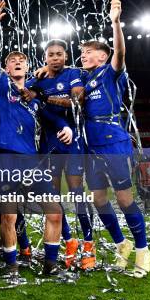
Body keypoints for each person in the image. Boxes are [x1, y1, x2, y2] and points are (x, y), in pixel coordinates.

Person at [0, 1, 69, 277]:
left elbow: (50, 116)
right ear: (6, 68)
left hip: (32, 159)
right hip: (4, 156)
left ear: (28, 67)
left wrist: (67, 127)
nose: (17, 62)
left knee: (54, 211)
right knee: (8, 214)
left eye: (22, 60)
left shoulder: (33, 95)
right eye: (12, 61)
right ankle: (11, 266)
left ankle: (51, 263)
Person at [80, 0, 150, 277]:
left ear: (102, 56)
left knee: (124, 199)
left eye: (87, 52)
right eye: (82, 52)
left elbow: (120, 52)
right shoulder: (83, 80)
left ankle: (143, 250)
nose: (82, 55)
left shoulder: (110, 73)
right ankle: (122, 244)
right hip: (91, 144)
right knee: (98, 199)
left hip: (113, 141)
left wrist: (115, 23)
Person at [26, 40, 94, 269]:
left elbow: (76, 101)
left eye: (59, 54)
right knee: (52, 198)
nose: (55, 58)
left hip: (72, 142)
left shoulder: (74, 74)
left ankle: (88, 245)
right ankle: (69, 240)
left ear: (66, 56)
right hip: (49, 144)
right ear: (45, 58)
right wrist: (37, 79)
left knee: (77, 194)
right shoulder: (40, 79)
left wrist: (44, 96)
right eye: (51, 55)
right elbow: (21, 90)